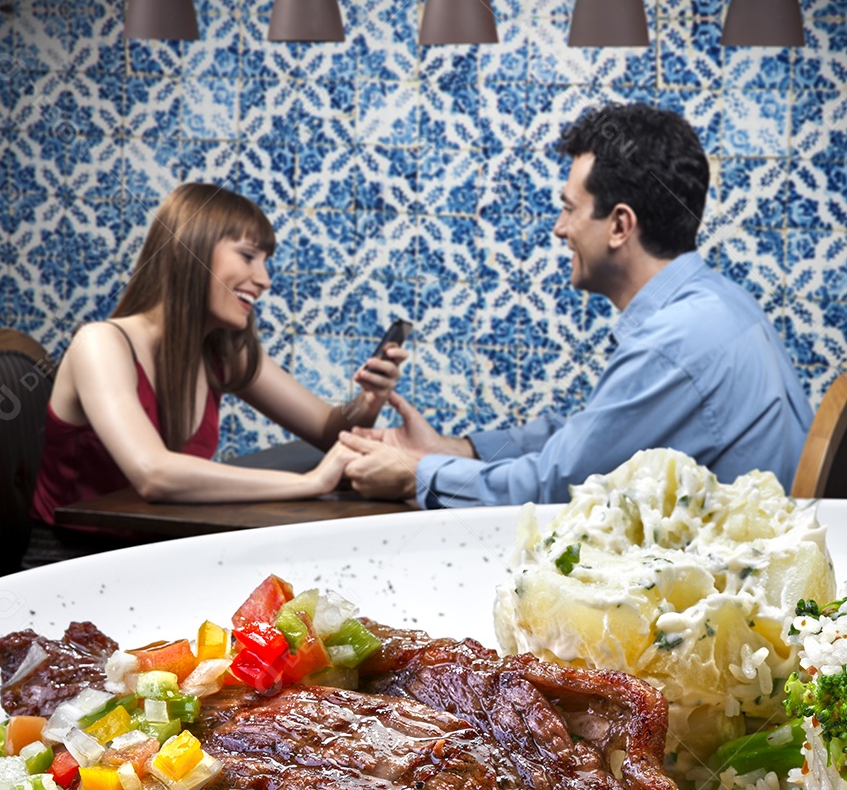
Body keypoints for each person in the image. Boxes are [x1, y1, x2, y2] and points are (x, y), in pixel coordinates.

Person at [339, 103, 813, 507]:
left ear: (620, 226)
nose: (559, 229)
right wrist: (456, 449)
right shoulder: (720, 304)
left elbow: (559, 487)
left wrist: (416, 474)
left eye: (569, 208)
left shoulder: (674, 343)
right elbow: (595, 436)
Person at [30, 182, 406, 538]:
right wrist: (310, 483)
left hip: (159, 550)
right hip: (74, 559)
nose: (264, 280)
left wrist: (368, 400)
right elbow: (153, 474)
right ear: (184, 249)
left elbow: (327, 430)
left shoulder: (222, 352)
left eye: (266, 261)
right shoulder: (100, 343)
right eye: (248, 256)